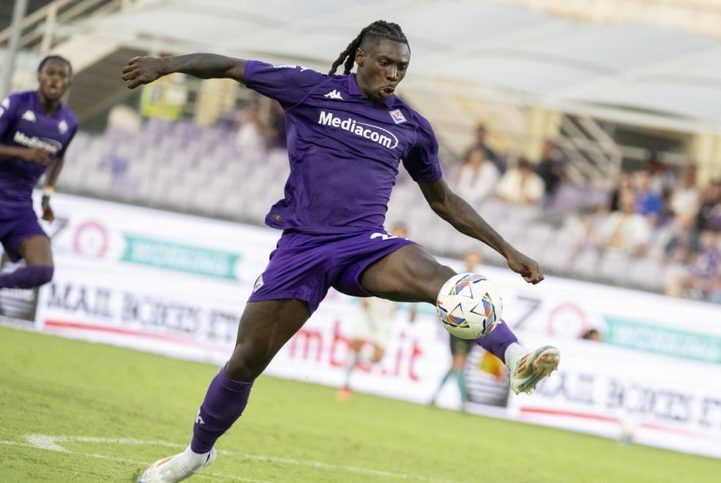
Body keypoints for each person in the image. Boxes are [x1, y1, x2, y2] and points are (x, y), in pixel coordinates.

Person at [122, 20, 560, 483]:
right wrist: (165, 65)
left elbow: (443, 200)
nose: (393, 74)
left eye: (402, 67)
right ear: (361, 59)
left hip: (363, 246)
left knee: (443, 279)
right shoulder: (310, 90)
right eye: (386, 63)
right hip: (303, 247)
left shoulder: (409, 126)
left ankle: (516, 359)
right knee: (247, 360)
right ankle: (196, 455)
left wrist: (507, 250)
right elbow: (232, 67)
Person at [0, 55, 78, 299]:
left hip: (19, 205)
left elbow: (59, 157)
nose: (55, 79)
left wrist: (47, 197)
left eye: (62, 75)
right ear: (39, 78)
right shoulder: (16, 104)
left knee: (43, 270)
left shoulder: (69, 123)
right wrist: (24, 153)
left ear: (68, 83)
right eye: (50, 73)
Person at [338, 222, 414, 400]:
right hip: (370, 303)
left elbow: (412, 283)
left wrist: (413, 307)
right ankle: (346, 383)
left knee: (378, 356)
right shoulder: (378, 250)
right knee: (356, 343)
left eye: (402, 233)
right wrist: (363, 295)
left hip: (385, 312)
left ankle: (355, 363)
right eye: (396, 231)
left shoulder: (407, 260)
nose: (398, 235)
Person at [429, 249, 484, 411]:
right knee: (458, 364)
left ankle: (436, 396)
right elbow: (443, 302)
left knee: (457, 365)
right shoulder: (456, 281)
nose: (472, 262)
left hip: (472, 330)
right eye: (470, 259)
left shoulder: (480, 283)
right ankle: (463, 401)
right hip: (457, 329)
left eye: (475, 260)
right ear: (465, 260)